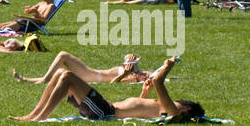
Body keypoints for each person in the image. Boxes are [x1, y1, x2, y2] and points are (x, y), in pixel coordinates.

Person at [10, 56, 204, 123]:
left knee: (68, 76)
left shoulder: (171, 111)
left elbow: (159, 83)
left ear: (186, 109)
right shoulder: (163, 108)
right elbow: (139, 109)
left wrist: (167, 66)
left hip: (105, 111)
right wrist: (143, 95)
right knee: (61, 72)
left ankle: (40, 116)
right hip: (103, 107)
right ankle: (34, 114)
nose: (175, 101)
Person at [12, 50, 150, 87]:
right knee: (58, 73)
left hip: (90, 75)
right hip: (90, 72)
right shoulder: (133, 70)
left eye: (146, 75)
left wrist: (124, 74)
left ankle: (42, 81)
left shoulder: (131, 77)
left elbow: (113, 83)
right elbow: (127, 58)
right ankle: (25, 79)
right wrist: (131, 57)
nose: (144, 72)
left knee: (63, 55)